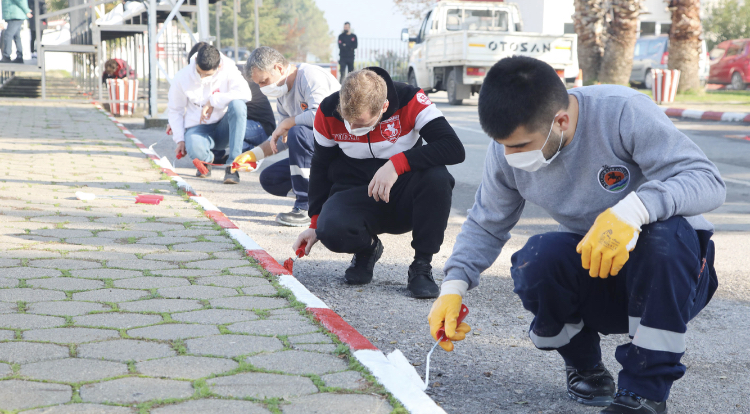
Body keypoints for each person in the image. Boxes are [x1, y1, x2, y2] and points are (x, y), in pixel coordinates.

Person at [427, 56, 725, 414]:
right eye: (503, 145)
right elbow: (486, 223)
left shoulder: (622, 113)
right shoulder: (506, 148)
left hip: (673, 278)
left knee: (664, 237)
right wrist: (453, 286)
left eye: (520, 146)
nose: (510, 156)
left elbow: (707, 181)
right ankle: (586, 367)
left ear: (561, 121)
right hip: (601, 268)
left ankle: (644, 394)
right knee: (537, 259)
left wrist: (635, 210)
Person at [291, 68, 464, 298]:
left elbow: (453, 148)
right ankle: (367, 249)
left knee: (438, 177)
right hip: (355, 192)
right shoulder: (327, 109)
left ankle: (421, 266)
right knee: (328, 230)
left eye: (360, 124)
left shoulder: (410, 99)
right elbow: (321, 167)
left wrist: (397, 164)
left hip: (403, 195)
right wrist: (314, 222)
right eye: (347, 121)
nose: (352, 129)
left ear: (384, 107)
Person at [238, 46, 340, 226]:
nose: (262, 88)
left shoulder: (310, 76)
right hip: (318, 157)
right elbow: (283, 137)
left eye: (264, 81)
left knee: (297, 130)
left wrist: (288, 123)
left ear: (278, 68)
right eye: (259, 84)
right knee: (270, 179)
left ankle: (306, 207)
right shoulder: (282, 93)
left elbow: (321, 115)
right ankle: (325, 196)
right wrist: (254, 155)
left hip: (338, 151)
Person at [168, 43, 250, 184]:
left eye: (208, 74)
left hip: (224, 126)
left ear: (219, 67)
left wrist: (213, 101)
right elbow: (176, 110)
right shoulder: (182, 77)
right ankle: (206, 161)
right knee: (193, 145)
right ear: (195, 62)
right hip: (199, 127)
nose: (203, 77)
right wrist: (180, 139)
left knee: (238, 105)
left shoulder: (229, 68)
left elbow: (246, 93)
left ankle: (233, 166)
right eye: (200, 72)